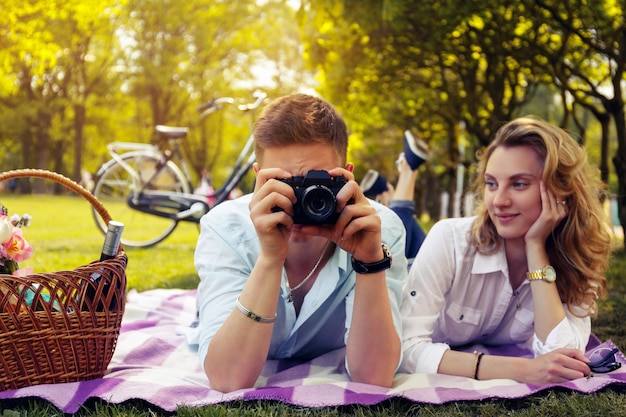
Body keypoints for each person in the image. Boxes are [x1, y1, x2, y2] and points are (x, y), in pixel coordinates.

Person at [194, 93, 408, 392]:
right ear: (258, 179)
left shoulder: (379, 230)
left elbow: (373, 379)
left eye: (316, 183)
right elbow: (228, 379)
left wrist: (369, 262)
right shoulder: (226, 228)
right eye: (285, 183)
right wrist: (270, 258)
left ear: (347, 176)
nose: (300, 198)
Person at [400, 116, 611, 385]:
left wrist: (536, 249)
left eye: (519, 184)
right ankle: (406, 170)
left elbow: (562, 358)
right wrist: (521, 370)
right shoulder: (450, 240)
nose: (498, 201)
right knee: (397, 224)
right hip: (404, 272)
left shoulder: (578, 260)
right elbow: (404, 349)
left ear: (561, 191)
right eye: (491, 184)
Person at [360, 130, 429, 267]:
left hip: (412, 271)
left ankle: (390, 189)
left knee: (399, 237)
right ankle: (408, 169)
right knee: (402, 229)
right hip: (421, 269)